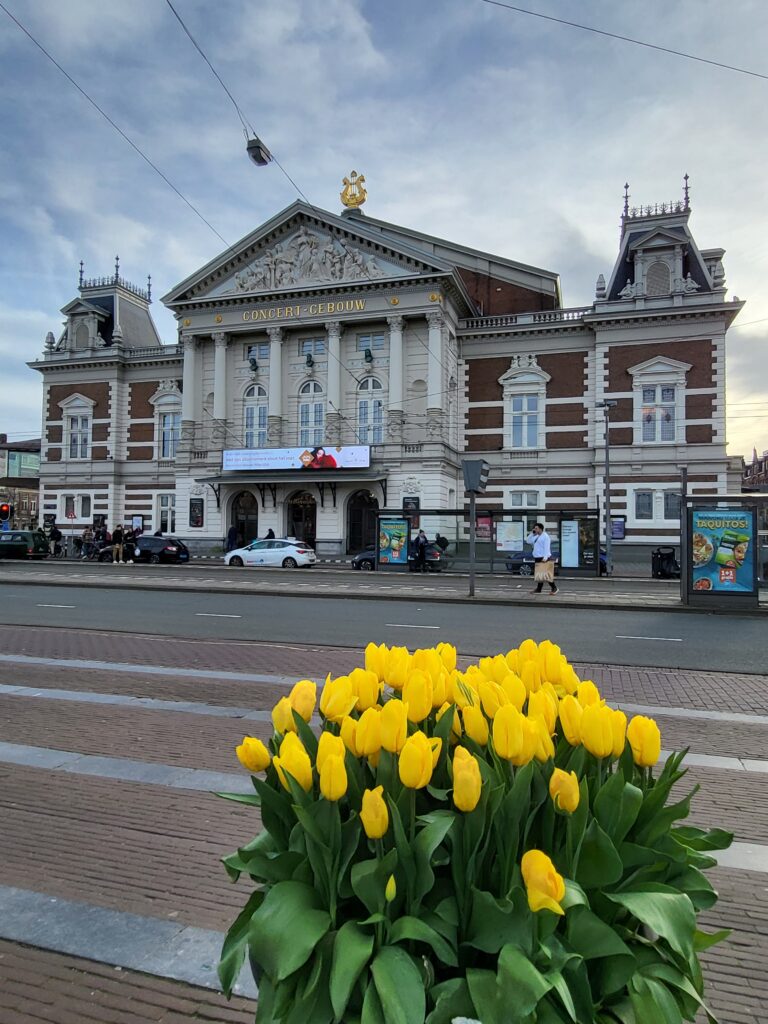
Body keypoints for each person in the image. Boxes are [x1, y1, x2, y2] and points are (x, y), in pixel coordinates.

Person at [527, 522, 558, 595]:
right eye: (534, 528)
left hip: (543, 558)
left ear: (540, 529)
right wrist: (532, 534)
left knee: (546, 574)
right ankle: (539, 589)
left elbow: (546, 548)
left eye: (536, 528)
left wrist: (545, 557)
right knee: (539, 574)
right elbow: (528, 541)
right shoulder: (535, 536)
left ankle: (554, 588)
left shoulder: (545, 536)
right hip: (537, 557)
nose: (535, 529)